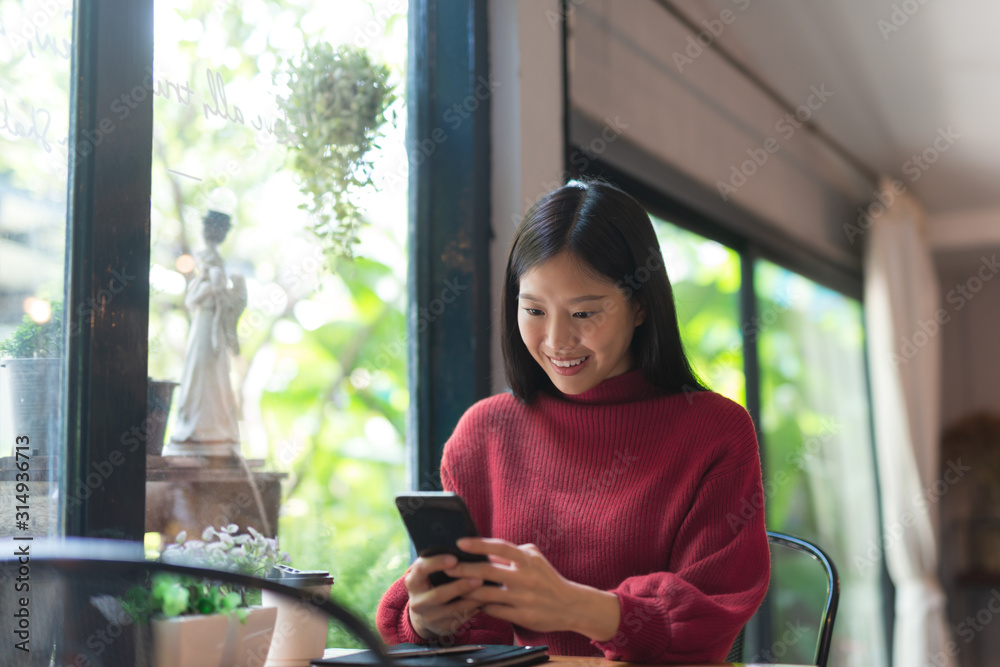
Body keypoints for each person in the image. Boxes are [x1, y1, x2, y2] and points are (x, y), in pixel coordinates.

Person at [376, 180, 769, 663]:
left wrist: (577, 607)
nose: (557, 340)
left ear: (641, 305)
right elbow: (475, 637)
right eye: (534, 310)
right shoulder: (484, 434)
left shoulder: (715, 431)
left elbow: (707, 628)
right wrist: (429, 620)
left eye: (584, 312)